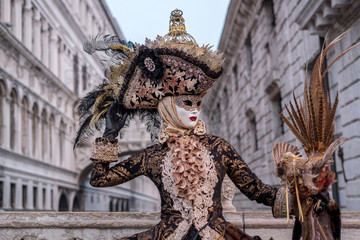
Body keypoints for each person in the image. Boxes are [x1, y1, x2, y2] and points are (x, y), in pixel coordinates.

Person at [75, 9, 289, 240]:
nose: (195, 109)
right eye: (186, 103)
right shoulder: (152, 157)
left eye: (198, 103)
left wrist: (300, 192)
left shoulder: (219, 148)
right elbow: (99, 179)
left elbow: (256, 190)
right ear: (167, 106)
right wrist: (110, 134)